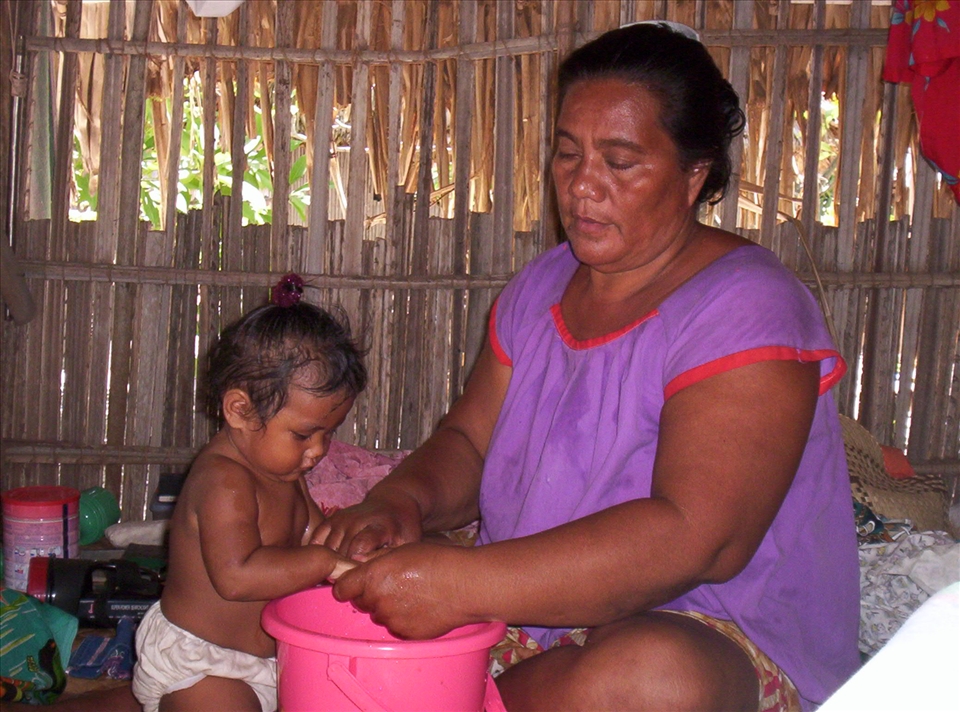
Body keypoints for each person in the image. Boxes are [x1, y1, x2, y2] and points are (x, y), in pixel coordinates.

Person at [316, 21, 861, 712]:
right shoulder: (544, 287)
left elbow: (696, 537)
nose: (582, 187)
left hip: (708, 629)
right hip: (528, 611)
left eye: (621, 161)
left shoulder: (748, 305)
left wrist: (465, 584)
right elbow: (468, 443)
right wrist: (402, 503)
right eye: (568, 155)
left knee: (652, 676)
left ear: (694, 175)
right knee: (310, 588)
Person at [132, 294, 366, 712]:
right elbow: (236, 577)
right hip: (203, 662)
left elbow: (315, 535)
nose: (318, 451)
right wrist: (325, 564)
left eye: (328, 434)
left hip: (272, 659)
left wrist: (359, 554)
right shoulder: (223, 481)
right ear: (240, 410)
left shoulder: (284, 471)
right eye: (303, 435)